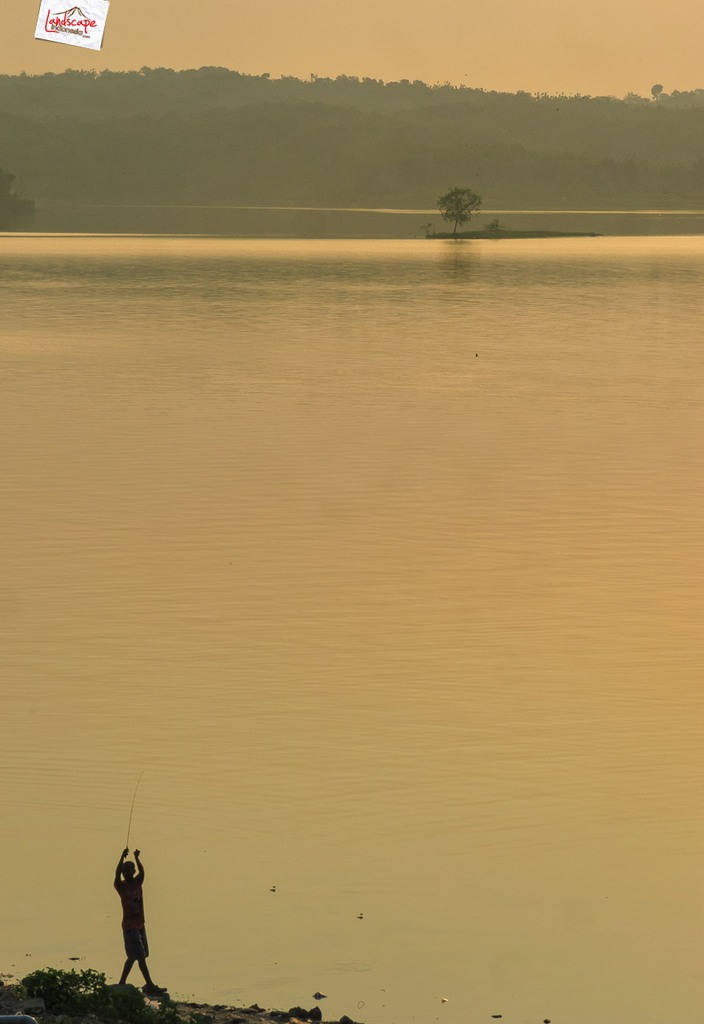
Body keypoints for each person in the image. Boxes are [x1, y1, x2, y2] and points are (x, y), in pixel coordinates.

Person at [114, 848, 167, 996]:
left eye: (130, 870)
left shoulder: (137, 882)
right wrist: (121, 857)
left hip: (139, 925)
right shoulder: (121, 887)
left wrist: (137, 858)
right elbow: (116, 875)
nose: (128, 873)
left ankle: (122, 982)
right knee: (140, 957)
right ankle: (150, 985)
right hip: (130, 927)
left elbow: (143, 872)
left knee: (133, 956)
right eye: (126, 871)